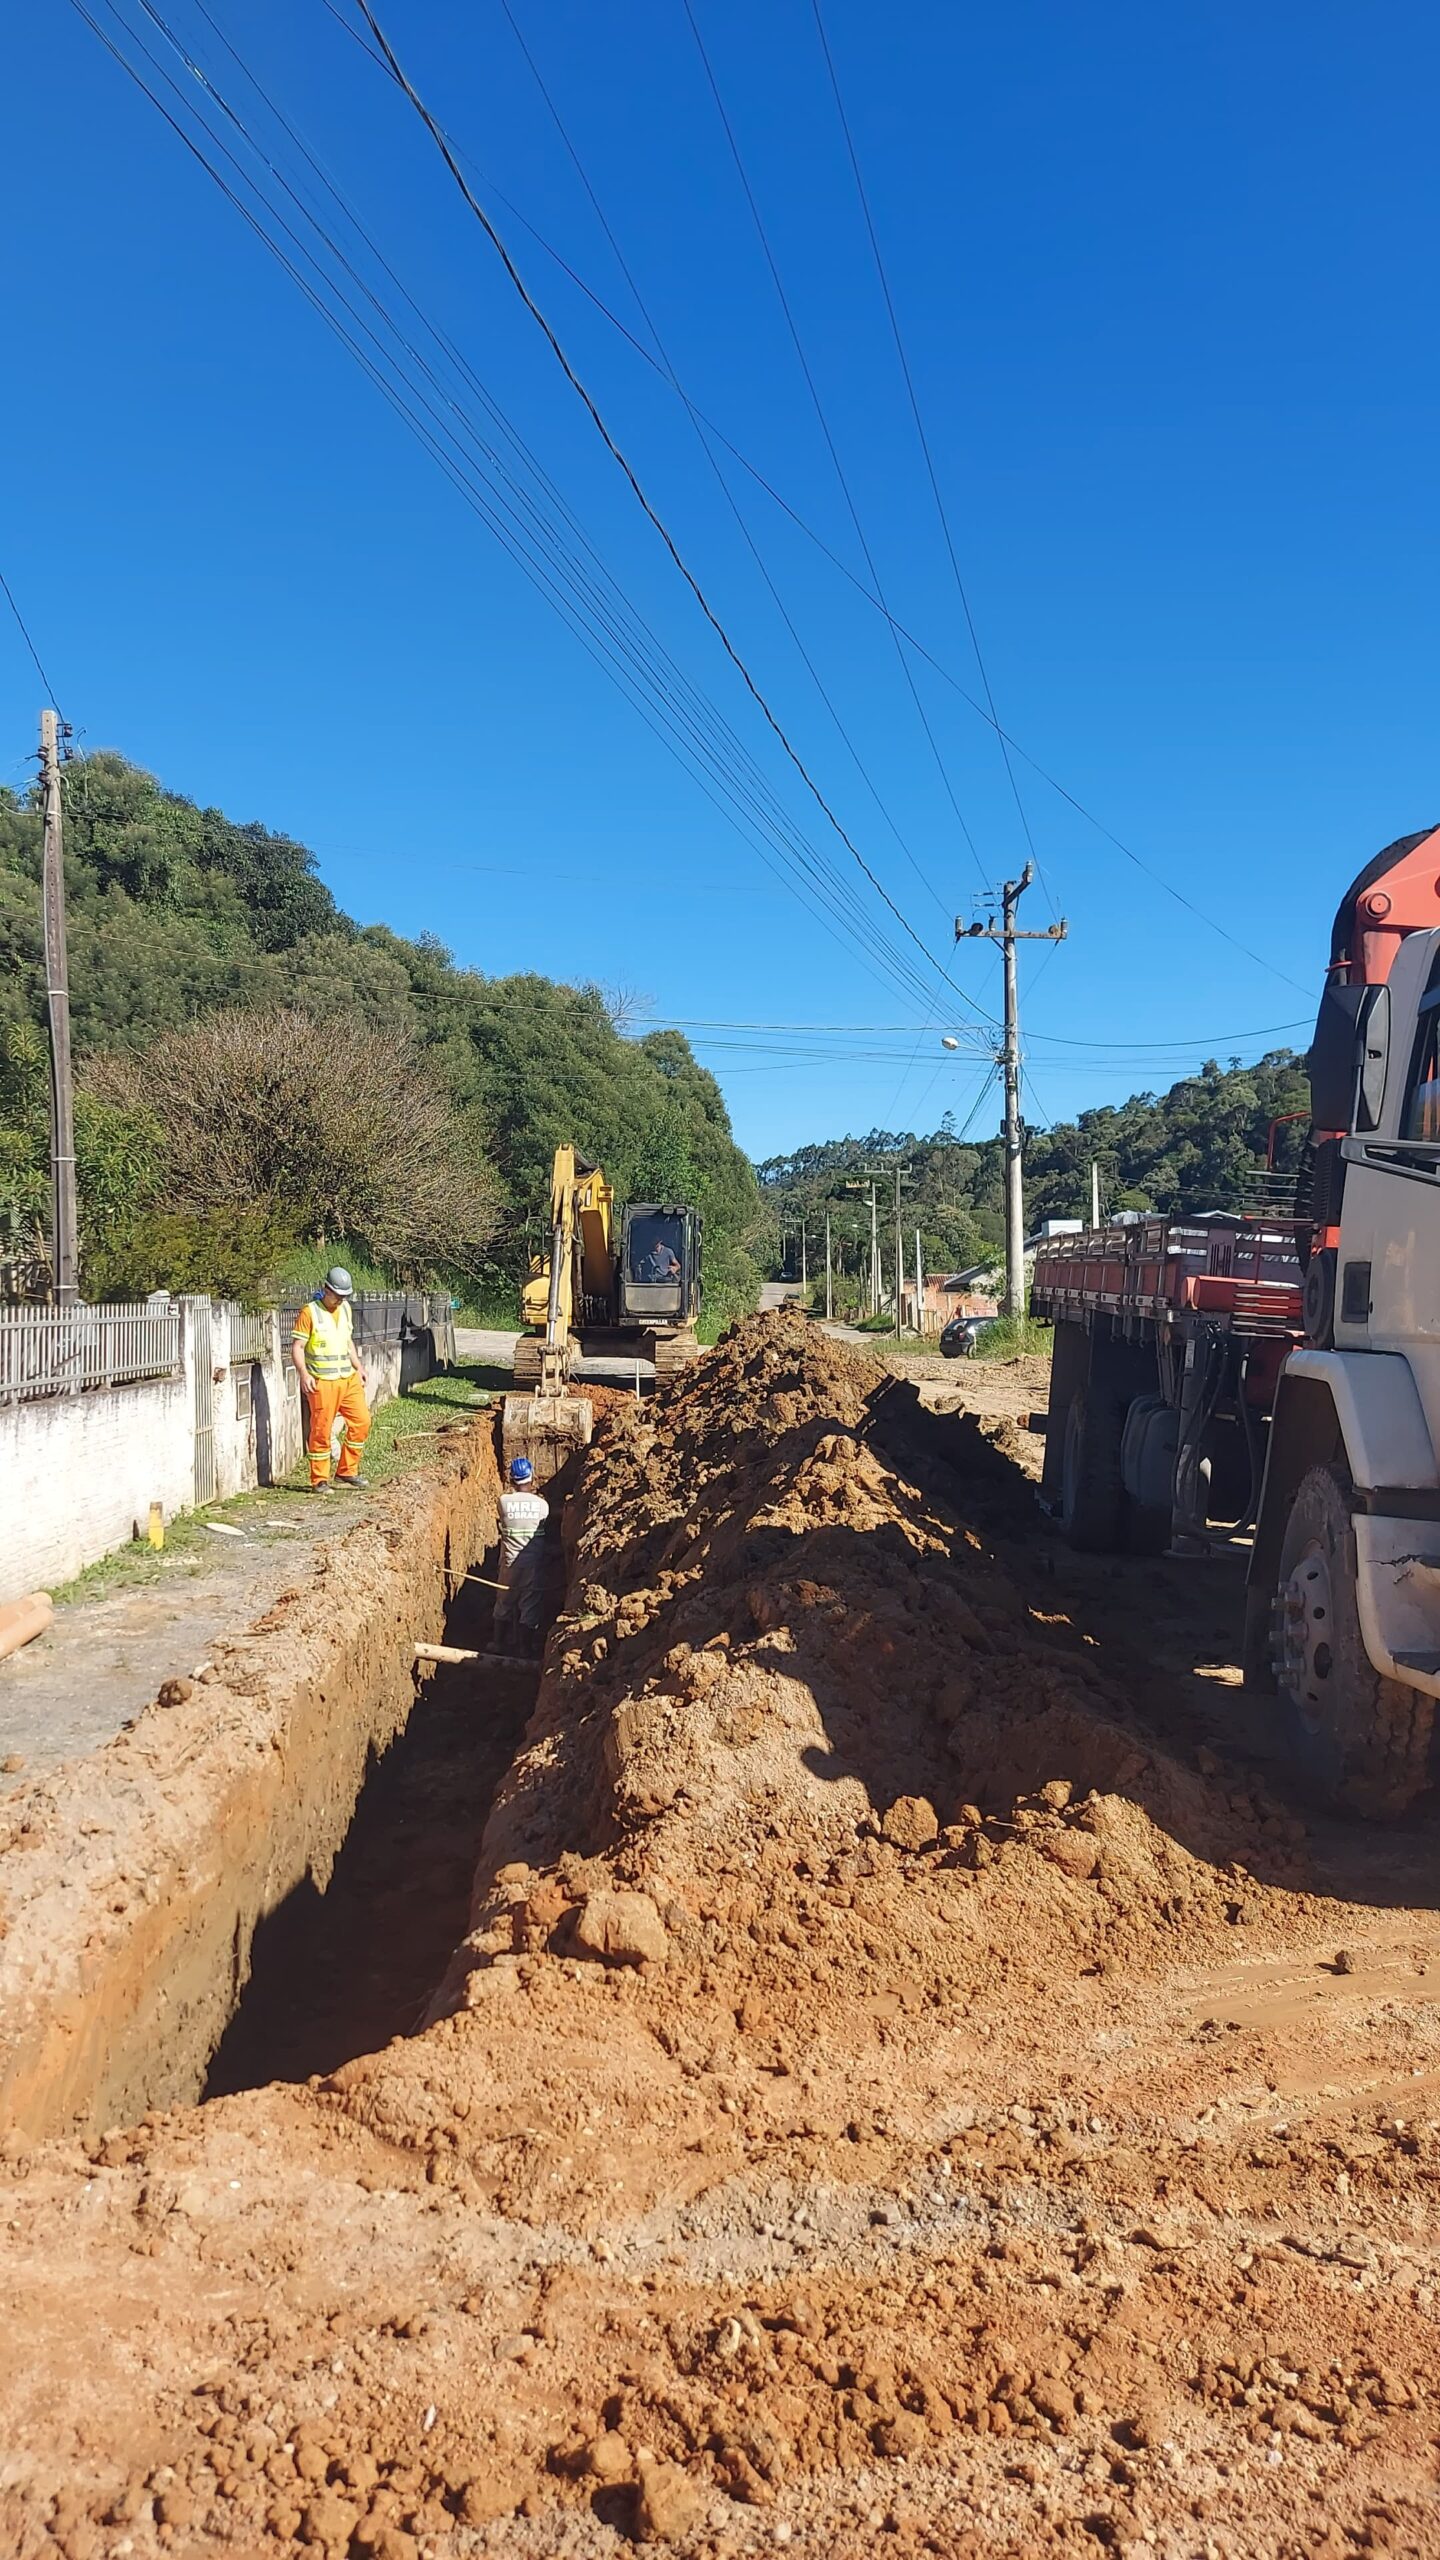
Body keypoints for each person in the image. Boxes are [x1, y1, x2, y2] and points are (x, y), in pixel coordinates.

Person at [291, 1266, 371, 1493]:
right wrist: (304, 1374)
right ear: (325, 1289)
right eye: (337, 1295)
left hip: (347, 1379)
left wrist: (358, 1366)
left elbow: (348, 1341)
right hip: (322, 1381)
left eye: (344, 1296)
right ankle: (319, 1480)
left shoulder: (345, 1309)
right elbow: (297, 1347)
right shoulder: (309, 1313)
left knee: (362, 1422)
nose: (340, 1300)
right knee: (321, 1429)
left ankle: (347, 1470)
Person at [495, 1455, 549, 1647]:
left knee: (504, 1601)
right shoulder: (543, 1505)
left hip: (510, 1562)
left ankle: (498, 1644)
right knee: (530, 1604)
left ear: (511, 1479)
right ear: (532, 1477)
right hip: (533, 1564)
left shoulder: (503, 1501)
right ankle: (525, 1649)